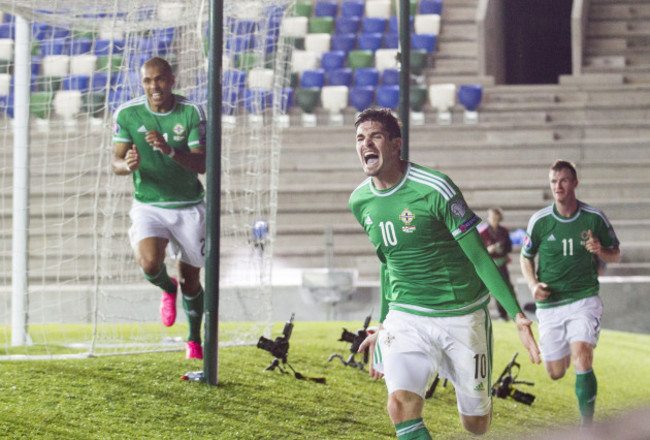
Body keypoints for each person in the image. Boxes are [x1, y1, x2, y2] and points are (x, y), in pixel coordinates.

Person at [350, 108, 540, 439]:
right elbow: (388, 262)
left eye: (375, 136)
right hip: (407, 315)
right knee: (399, 406)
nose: (366, 143)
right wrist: (383, 321)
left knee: (475, 424)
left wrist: (517, 315)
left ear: (396, 144)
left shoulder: (435, 187)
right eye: (360, 138)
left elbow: (481, 257)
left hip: (462, 315)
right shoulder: (360, 201)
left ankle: (477, 397)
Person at [111, 57, 207, 360]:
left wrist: (169, 151)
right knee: (150, 264)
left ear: (172, 80)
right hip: (148, 205)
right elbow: (115, 162)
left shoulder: (191, 112)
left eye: (160, 79)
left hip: (189, 206)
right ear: (143, 83)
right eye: (148, 81)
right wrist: (127, 165)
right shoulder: (127, 114)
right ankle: (167, 288)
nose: (155, 86)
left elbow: (202, 164)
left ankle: (194, 339)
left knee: (192, 280)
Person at [520, 159, 621, 428]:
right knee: (555, 372)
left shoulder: (593, 218)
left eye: (563, 180)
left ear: (574, 182)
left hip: (583, 298)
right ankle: (566, 350)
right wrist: (532, 286)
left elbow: (616, 254)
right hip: (551, 304)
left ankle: (587, 426)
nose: (558, 186)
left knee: (582, 353)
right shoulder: (540, 221)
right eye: (553, 181)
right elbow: (525, 258)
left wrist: (601, 250)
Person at [478, 207, 514, 320]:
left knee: (508, 288)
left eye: (497, 218)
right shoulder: (483, 232)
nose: (495, 220)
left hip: (502, 264)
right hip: (490, 266)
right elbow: (479, 251)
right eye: (493, 217)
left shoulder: (503, 231)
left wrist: (501, 248)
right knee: (494, 290)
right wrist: (489, 250)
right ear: (489, 218)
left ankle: (513, 313)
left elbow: (509, 247)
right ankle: (500, 315)